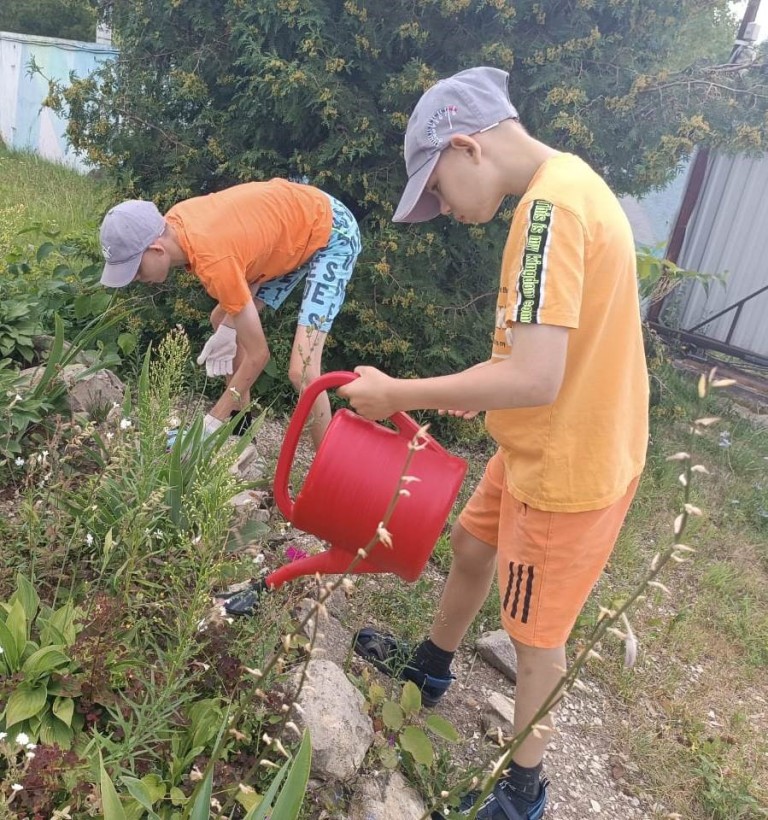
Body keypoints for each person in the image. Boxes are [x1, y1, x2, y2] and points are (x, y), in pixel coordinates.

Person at [337, 67, 649, 819]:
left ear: (467, 145)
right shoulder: (564, 185)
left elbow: (533, 375)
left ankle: (523, 794)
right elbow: (541, 358)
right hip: (539, 442)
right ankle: (432, 668)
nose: (441, 207)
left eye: (437, 189)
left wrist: (399, 395)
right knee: (474, 547)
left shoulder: (549, 212)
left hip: (567, 467)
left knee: (535, 639)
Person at [98, 180, 361, 449]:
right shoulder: (176, 223)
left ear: (156, 249)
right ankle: (241, 432)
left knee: (302, 372)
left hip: (331, 230)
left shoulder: (212, 260)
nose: (138, 279)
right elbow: (248, 250)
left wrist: (209, 425)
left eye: (136, 271)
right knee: (220, 322)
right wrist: (226, 330)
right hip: (290, 228)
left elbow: (259, 355)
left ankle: (327, 471)